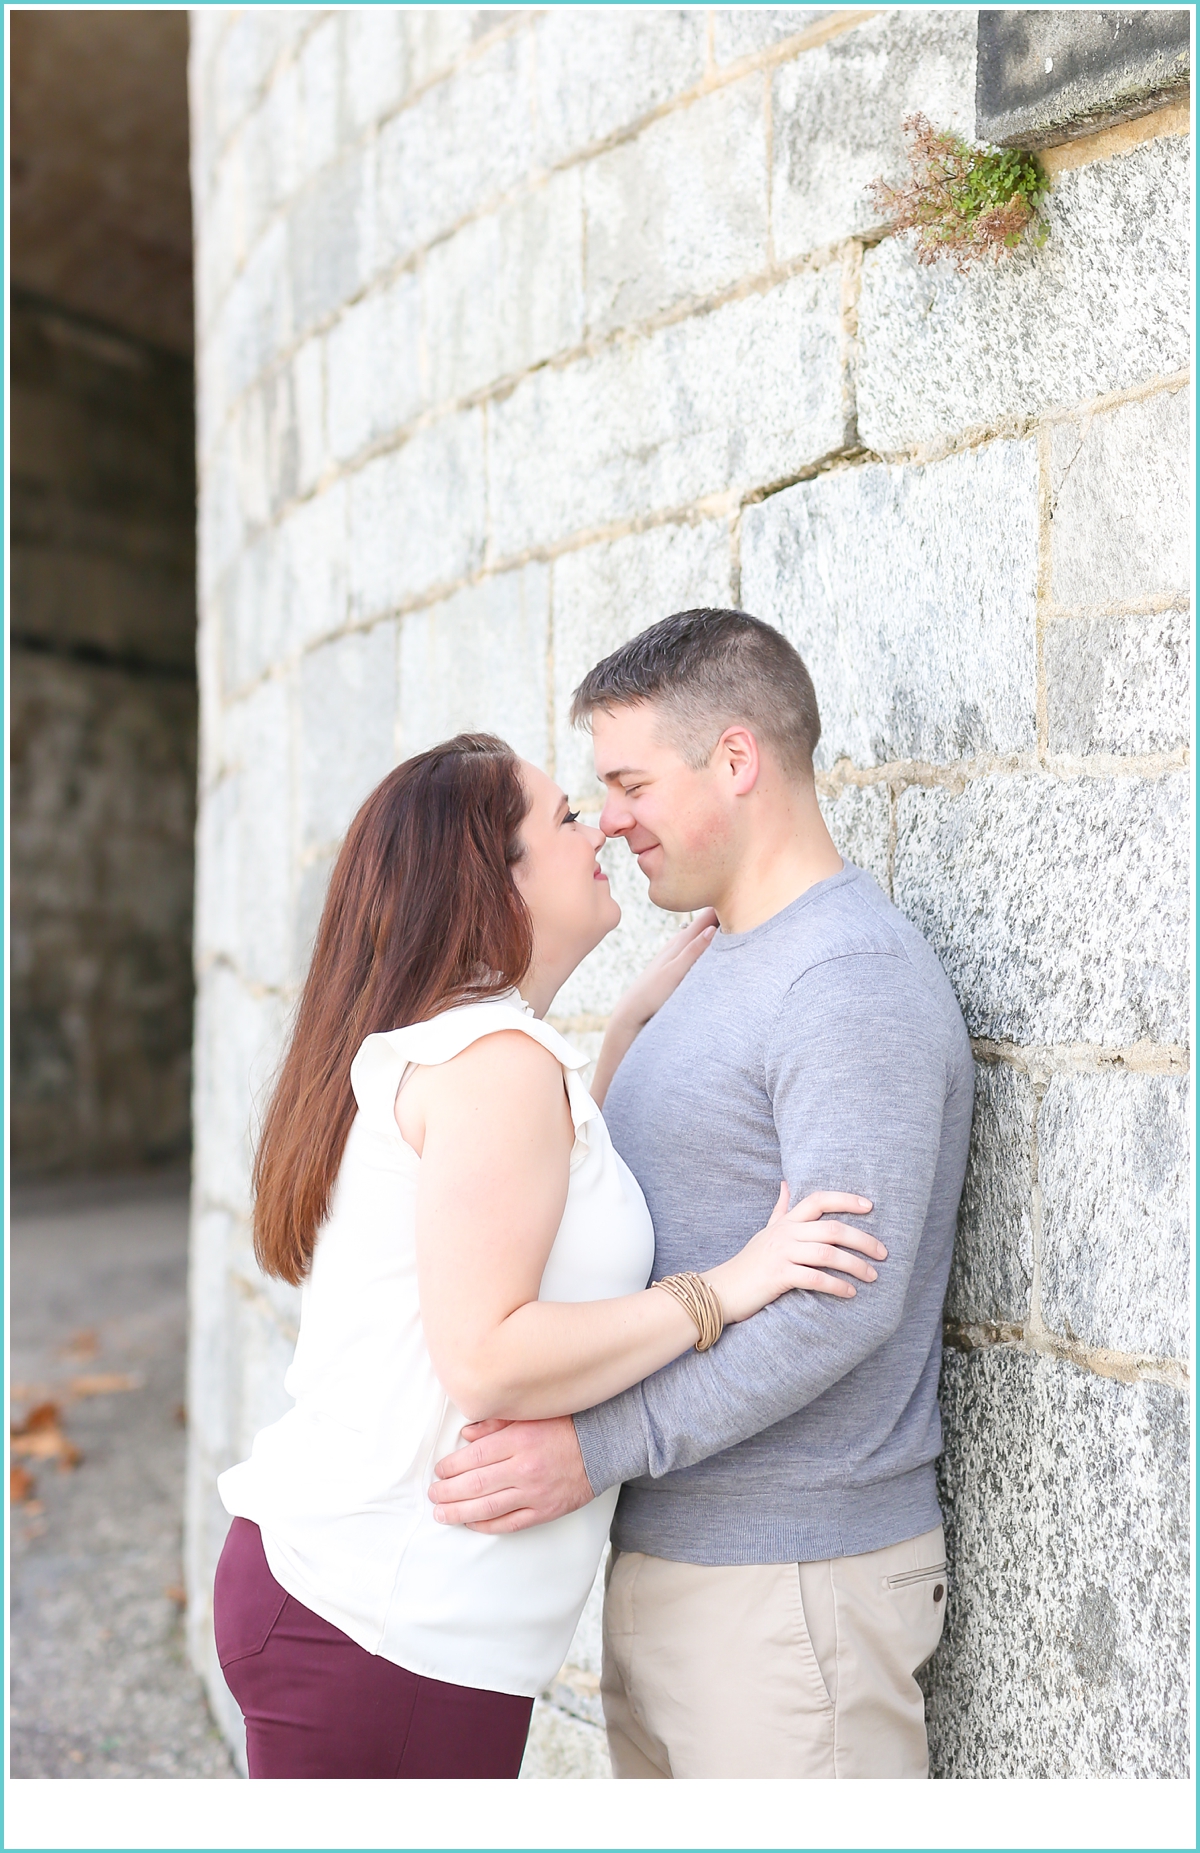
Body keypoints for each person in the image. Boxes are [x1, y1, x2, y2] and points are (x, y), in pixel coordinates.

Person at [212, 731, 886, 1779]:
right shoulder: (496, 1064)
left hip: (370, 1610)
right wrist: (727, 1287)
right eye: (566, 816)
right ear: (497, 878)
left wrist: (622, 1032)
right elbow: (486, 1353)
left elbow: (548, 1221)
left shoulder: (488, 1053)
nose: (603, 825)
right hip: (378, 1622)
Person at [428, 611, 975, 1780]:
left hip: (792, 1598)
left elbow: (842, 1300)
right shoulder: (715, 961)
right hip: (677, 1568)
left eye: (629, 780)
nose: (610, 817)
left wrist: (593, 1447)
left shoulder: (847, 979)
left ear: (735, 760)